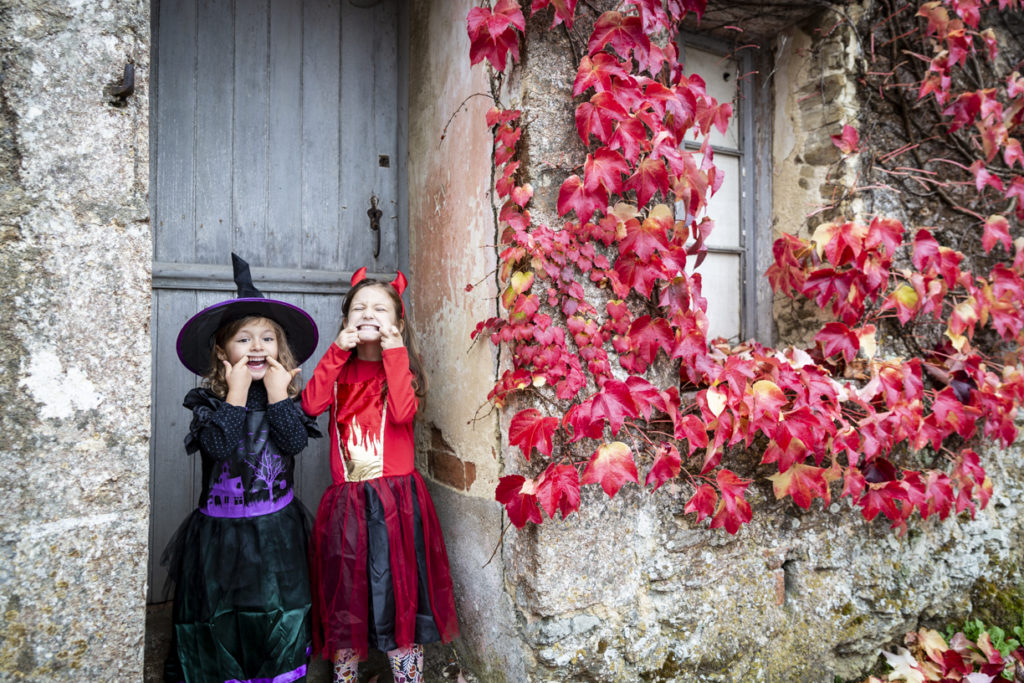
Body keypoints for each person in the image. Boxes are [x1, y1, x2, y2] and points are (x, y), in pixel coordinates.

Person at [163, 253, 322, 683]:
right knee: (223, 615)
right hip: (220, 536)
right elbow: (217, 444)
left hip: (275, 533)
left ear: (280, 350)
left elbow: (292, 442)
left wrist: (277, 395)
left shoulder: (283, 399)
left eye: (267, 339)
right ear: (222, 352)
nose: (256, 347)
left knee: (275, 611)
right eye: (244, 339)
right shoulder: (210, 404)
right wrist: (235, 393)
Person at [303, 268, 458, 683]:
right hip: (348, 503)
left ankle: (407, 677)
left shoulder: (400, 367)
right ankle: (346, 676)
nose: (368, 313)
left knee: (401, 595)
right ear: (345, 321)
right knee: (347, 596)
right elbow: (312, 405)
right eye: (359, 308)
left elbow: (405, 412)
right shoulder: (338, 370)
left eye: (379, 308)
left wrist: (394, 352)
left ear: (398, 323)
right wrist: (337, 350)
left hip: (396, 504)